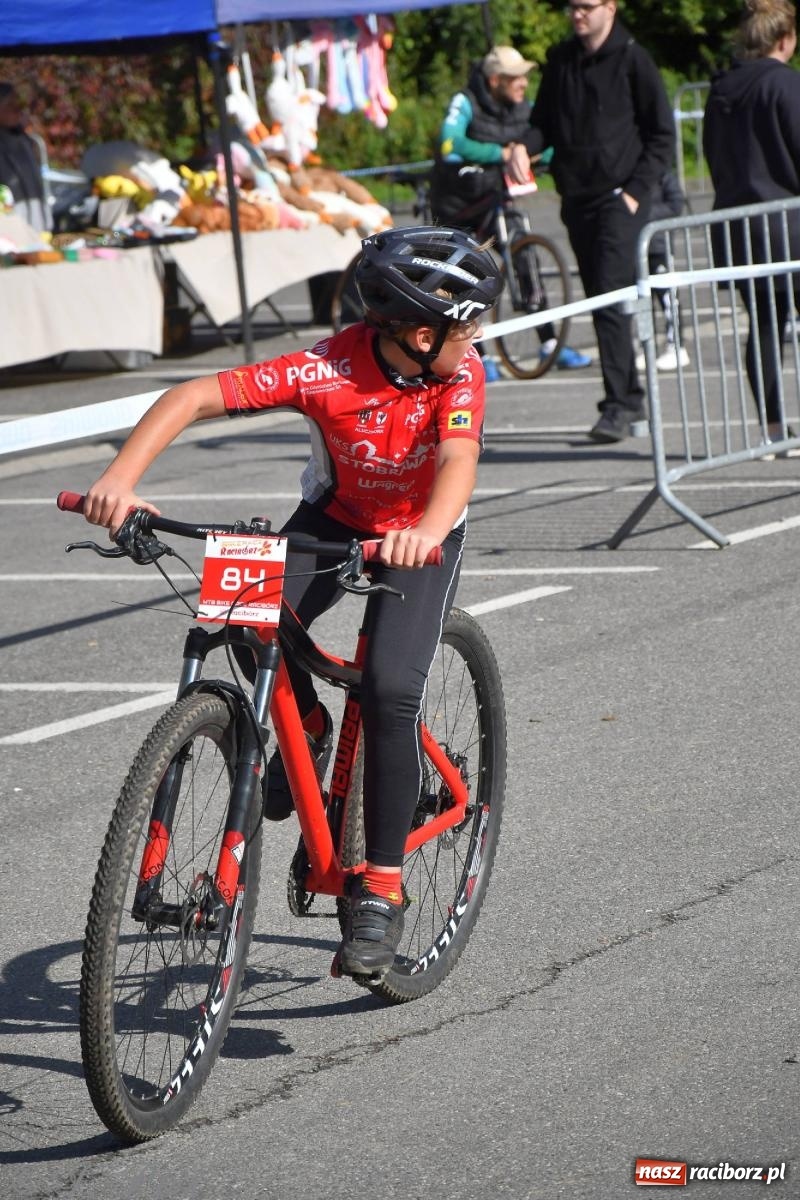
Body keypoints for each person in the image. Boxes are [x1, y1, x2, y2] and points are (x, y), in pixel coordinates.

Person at [80, 225, 502, 981]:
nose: (476, 336)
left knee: (390, 689)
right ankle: (304, 731)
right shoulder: (330, 366)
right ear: (417, 330)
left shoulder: (459, 374)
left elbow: (458, 457)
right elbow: (194, 395)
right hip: (336, 518)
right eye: (466, 322)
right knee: (244, 609)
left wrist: (429, 531)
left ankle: (379, 886)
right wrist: (122, 478)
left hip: (418, 533)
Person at [510, 2, 674, 442]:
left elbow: (661, 134)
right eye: (572, 6)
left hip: (619, 201)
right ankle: (629, 396)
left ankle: (620, 404)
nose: (577, 14)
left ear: (610, 7)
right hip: (577, 198)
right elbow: (543, 124)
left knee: (609, 296)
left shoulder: (633, 57)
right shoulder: (562, 60)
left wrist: (635, 194)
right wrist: (522, 146)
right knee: (601, 297)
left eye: (586, 6)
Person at [429, 44, 592, 377]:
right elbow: (449, 143)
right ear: (494, 80)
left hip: (495, 195)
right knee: (464, 272)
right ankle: (476, 352)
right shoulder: (465, 102)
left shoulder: (524, 107)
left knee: (524, 258)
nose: (523, 83)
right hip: (458, 200)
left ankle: (549, 343)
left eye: (524, 77)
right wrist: (501, 153)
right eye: (515, 77)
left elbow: (543, 143)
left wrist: (535, 157)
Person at [703, 0, 800, 446]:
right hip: (788, 225)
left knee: (763, 324)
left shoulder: (721, 89)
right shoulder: (784, 83)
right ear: (786, 39)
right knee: (769, 325)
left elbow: (713, 158)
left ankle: (773, 429)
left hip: (739, 229)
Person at [635, 169, 690, 372]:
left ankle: (676, 346)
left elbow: (676, 203)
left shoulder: (663, 173)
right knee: (641, 302)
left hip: (660, 246)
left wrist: (644, 214)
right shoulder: (628, 172)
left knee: (668, 298)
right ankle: (645, 346)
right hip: (636, 249)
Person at [0, 82, 51, 234]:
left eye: (18, 103)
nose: (18, 109)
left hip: (35, 226)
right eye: (10, 104)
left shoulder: (26, 140)